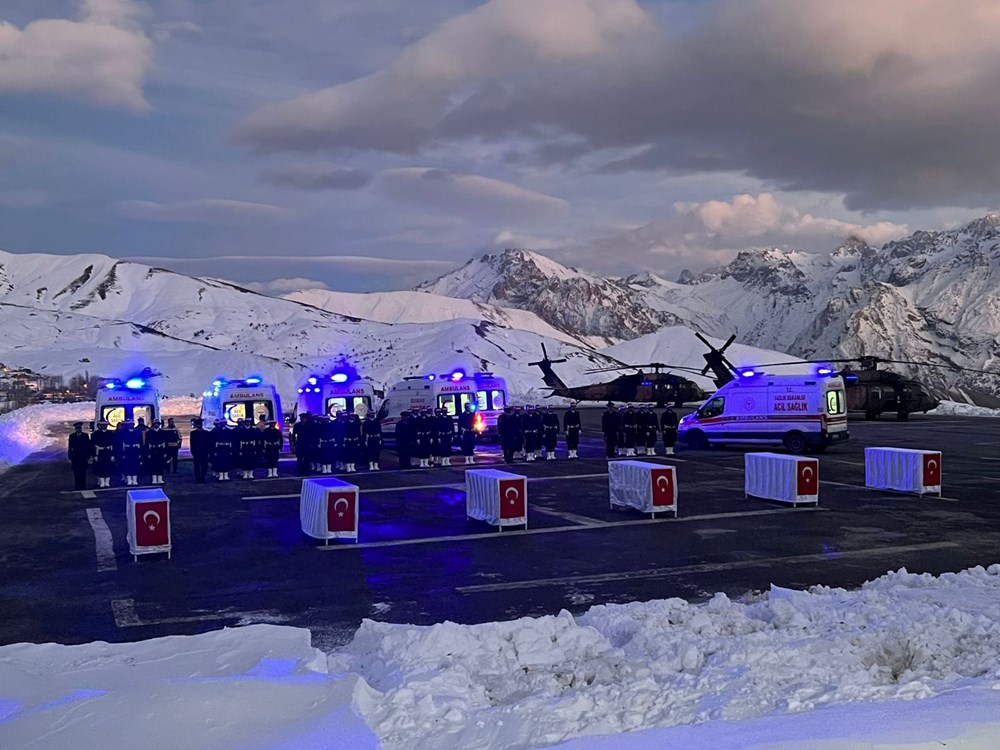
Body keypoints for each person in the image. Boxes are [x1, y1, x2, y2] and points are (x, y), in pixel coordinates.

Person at [116, 420, 143, 486]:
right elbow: (120, 443)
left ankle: (135, 480)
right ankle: (129, 480)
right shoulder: (123, 432)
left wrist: (140, 453)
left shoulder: (138, 432)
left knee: (135, 465)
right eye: (129, 424)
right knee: (127, 466)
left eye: (131, 424)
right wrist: (122, 453)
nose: (130, 425)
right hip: (127, 450)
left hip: (135, 450)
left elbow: (141, 442)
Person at [91, 420, 116, 487]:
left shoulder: (111, 433)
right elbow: (93, 446)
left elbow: (114, 445)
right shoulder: (95, 434)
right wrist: (94, 455)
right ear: (99, 426)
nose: (104, 426)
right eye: (102, 425)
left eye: (105, 425)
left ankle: (107, 482)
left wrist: (113, 455)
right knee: (101, 468)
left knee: (108, 468)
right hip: (100, 453)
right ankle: (102, 482)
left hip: (108, 452)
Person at [68, 422, 91, 490]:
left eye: (79, 428)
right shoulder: (72, 436)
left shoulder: (85, 436)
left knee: (83, 472)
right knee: (76, 472)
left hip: (83, 457)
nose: (78, 429)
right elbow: (70, 447)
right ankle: (77, 486)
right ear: (75, 429)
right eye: (77, 428)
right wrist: (70, 456)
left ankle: (83, 486)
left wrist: (88, 455)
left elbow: (88, 446)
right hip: (75, 457)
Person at [145, 420, 168, 485]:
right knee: (153, 465)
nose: (156, 425)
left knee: (160, 465)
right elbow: (147, 443)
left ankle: (160, 479)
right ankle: (154, 479)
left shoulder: (163, 432)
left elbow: (165, 443)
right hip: (152, 450)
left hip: (160, 450)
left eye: (157, 424)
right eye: (155, 424)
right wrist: (148, 453)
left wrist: (165, 452)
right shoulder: (149, 433)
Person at [189, 418, 211, 482]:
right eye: (198, 424)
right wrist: (193, 451)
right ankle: (197, 478)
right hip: (197, 452)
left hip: (204, 452)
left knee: (204, 466)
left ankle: (203, 478)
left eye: (200, 424)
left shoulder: (206, 433)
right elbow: (192, 443)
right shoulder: (193, 433)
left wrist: (208, 451)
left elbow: (208, 443)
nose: (199, 426)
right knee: (197, 466)